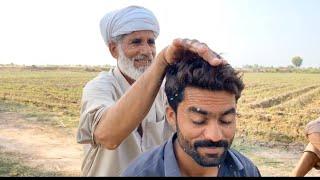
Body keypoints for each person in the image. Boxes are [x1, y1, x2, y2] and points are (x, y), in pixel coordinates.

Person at [76, 5, 226, 176]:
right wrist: (161, 62)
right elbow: (107, 135)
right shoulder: (99, 87)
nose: (147, 51)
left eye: (151, 42)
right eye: (136, 42)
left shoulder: (163, 90)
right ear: (113, 49)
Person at [121, 51, 261, 177]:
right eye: (199, 120)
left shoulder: (247, 171)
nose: (215, 136)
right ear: (171, 116)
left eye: (226, 120)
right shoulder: (140, 173)